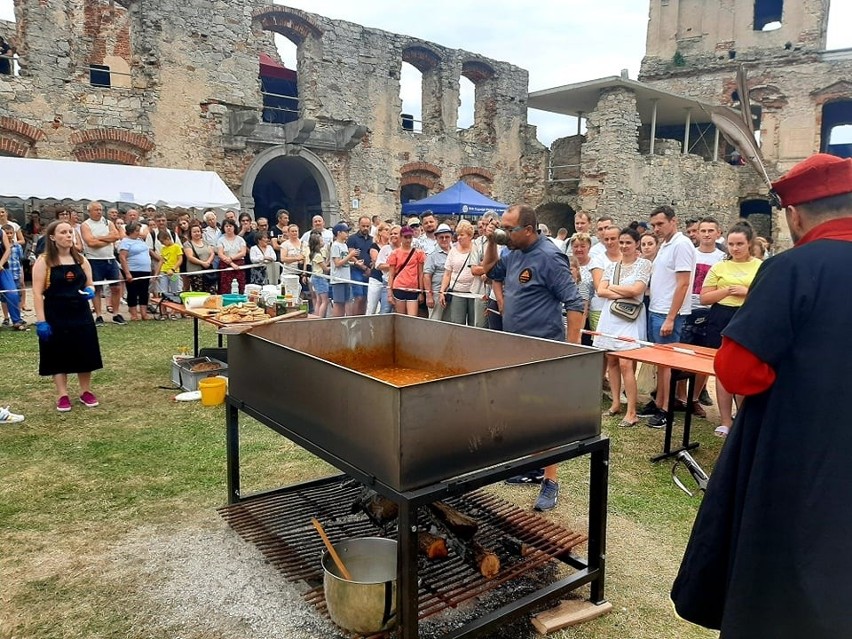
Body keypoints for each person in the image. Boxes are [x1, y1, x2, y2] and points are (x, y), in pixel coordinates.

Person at [671, 153, 852, 638]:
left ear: (794, 215)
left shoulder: (793, 268)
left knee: (781, 573)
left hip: (795, 449)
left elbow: (739, 371)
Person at [481, 204, 584, 511]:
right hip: (516, 348)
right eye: (502, 227)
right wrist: (490, 241)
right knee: (521, 410)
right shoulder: (513, 253)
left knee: (544, 416)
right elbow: (490, 271)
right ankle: (531, 466)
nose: (504, 233)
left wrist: (570, 350)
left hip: (544, 349)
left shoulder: (550, 257)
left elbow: (575, 303)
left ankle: (550, 479)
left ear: (528, 229)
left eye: (508, 229)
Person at [697, 220, 762, 437]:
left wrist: (747, 291)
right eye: (731, 244)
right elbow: (704, 298)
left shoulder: (760, 266)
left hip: (747, 317)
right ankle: (725, 420)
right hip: (721, 316)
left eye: (739, 244)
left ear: (749, 243)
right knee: (722, 370)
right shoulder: (719, 266)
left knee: (744, 368)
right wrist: (725, 292)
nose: (735, 248)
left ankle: (742, 417)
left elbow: (769, 297)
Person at [33, 220, 103, 412]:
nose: (68, 235)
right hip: (55, 312)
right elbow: (37, 293)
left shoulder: (81, 260)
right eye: (63, 232)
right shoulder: (44, 261)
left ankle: (85, 391)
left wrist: (89, 290)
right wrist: (41, 322)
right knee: (57, 353)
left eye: (70, 232)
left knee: (84, 350)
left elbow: (90, 283)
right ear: (53, 237)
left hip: (80, 312)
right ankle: (62, 395)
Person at [638, 205, 696, 428]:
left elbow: (683, 284)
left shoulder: (681, 245)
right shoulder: (665, 244)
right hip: (657, 309)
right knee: (660, 362)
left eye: (660, 224)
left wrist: (671, 317)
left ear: (674, 221)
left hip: (668, 313)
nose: (657, 228)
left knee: (667, 363)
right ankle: (659, 400)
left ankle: (665, 409)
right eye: (653, 225)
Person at [592, 228, 652, 427]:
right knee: (612, 361)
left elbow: (637, 290)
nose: (624, 246)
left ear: (636, 244)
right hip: (611, 316)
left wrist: (613, 289)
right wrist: (623, 292)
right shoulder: (612, 266)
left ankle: (632, 411)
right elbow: (600, 290)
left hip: (630, 318)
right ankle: (616, 402)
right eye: (622, 242)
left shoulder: (644, 264)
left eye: (628, 242)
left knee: (627, 363)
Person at [80, 201, 126, 326]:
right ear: (89, 211)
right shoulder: (85, 225)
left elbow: (116, 236)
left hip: (110, 258)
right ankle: (99, 315)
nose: (99, 212)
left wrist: (99, 238)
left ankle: (116, 313)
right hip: (94, 260)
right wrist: (107, 238)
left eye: (100, 209)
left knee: (116, 287)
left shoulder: (108, 222)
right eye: (96, 210)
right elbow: (90, 243)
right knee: (96, 288)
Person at [118, 221, 158, 321]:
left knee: (144, 292)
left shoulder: (141, 240)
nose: (138, 232)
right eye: (136, 230)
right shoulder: (125, 241)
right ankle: (134, 314)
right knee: (132, 292)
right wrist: (127, 273)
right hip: (132, 270)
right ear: (130, 231)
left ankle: (144, 313)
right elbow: (122, 257)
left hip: (145, 270)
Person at [439, 220, 477, 325]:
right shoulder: (453, 251)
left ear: (470, 236)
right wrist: (442, 291)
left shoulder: (477, 250)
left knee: (474, 323)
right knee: (456, 322)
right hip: (457, 291)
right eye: (457, 235)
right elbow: (447, 273)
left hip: (473, 292)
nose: (459, 237)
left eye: (462, 235)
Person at [387, 226, 425, 316]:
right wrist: (389, 293)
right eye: (405, 237)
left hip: (413, 288)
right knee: (401, 317)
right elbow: (391, 274)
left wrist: (421, 292)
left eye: (410, 237)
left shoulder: (418, 253)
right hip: (399, 287)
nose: (408, 240)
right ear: (401, 237)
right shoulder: (395, 253)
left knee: (412, 318)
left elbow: (420, 274)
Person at [423, 223, 452, 320]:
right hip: (436, 293)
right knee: (435, 321)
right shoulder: (432, 256)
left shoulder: (455, 252)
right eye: (441, 237)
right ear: (436, 238)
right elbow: (427, 276)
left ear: (451, 237)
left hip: (451, 294)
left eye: (447, 237)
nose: (444, 239)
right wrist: (429, 296)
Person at [0, 224, 26, 330]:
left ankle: (16, 321)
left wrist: (0, 263)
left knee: (13, 293)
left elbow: (7, 250)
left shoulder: (1, 233)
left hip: (3, 269)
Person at [346, 215, 374, 315]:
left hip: (370, 272)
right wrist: (363, 267)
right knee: (358, 297)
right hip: (356, 271)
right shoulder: (352, 238)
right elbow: (351, 255)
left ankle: (362, 318)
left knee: (366, 297)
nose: (365, 228)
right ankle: (354, 319)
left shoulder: (372, 239)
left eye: (367, 226)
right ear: (359, 225)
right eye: (363, 226)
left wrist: (371, 268)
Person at [329, 222, 358, 317]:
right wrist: (350, 255)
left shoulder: (344, 245)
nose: (347, 234)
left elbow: (343, 262)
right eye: (345, 232)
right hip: (338, 279)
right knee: (338, 303)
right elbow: (337, 263)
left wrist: (354, 263)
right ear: (338, 233)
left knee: (346, 301)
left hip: (346, 278)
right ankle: (337, 322)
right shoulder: (335, 246)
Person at [183, 221, 217, 294]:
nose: (197, 233)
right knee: (199, 293)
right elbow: (190, 257)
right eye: (194, 232)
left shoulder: (206, 242)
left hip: (208, 272)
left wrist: (208, 262)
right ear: (190, 233)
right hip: (195, 273)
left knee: (211, 292)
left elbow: (212, 253)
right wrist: (202, 263)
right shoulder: (187, 244)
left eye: (198, 231)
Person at [216, 219, 247, 294]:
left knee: (240, 285)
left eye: (230, 226)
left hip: (239, 265)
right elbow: (220, 254)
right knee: (225, 287)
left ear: (234, 227)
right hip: (225, 265)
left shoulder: (240, 239)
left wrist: (232, 258)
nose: (228, 228)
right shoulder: (220, 240)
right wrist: (231, 263)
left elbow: (243, 253)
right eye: (226, 226)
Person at [306, 231, 330, 318]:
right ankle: (320, 317)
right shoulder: (318, 256)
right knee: (324, 300)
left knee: (319, 300)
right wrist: (333, 267)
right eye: (321, 241)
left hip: (315, 278)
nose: (323, 242)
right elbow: (325, 269)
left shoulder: (314, 255)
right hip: (320, 278)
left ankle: (316, 316)